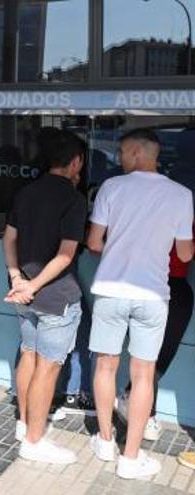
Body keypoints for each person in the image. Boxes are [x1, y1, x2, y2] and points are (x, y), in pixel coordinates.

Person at [86, 128, 193, 479]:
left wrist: (122, 244)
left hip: (111, 289)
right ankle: (130, 457)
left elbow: (94, 243)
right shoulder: (181, 195)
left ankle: (104, 440)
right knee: (143, 373)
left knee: (105, 367)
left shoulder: (111, 188)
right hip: (152, 294)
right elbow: (184, 252)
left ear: (136, 153)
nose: (119, 158)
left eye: (122, 152)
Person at [2, 130, 87, 464]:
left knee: (28, 355)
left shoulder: (26, 192)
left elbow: (9, 239)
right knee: (47, 369)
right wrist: (33, 285)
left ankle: (24, 425)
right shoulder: (74, 200)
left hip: (24, 295)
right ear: (76, 162)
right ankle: (35, 442)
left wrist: (17, 278)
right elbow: (66, 256)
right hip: (55, 297)